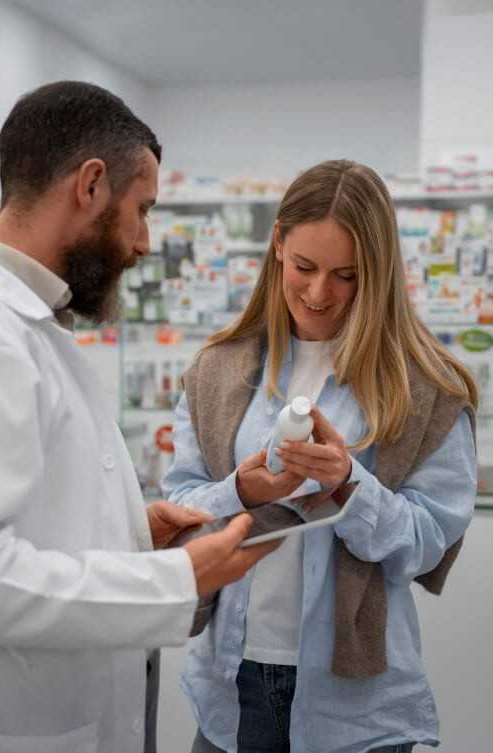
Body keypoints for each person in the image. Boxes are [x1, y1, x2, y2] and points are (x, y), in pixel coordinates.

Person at [0, 80, 279, 753]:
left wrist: (134, 537)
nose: (144, 241)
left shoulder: (34, 323)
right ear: (91, 185)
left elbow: (30, 518)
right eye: (143, 209)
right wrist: (176, 579)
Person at [162, 159, 478, 753]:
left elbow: (428, 541)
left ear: (379, 272)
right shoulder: (217, 370)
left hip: (354, 703)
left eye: (346, 275)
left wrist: (349, 486)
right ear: (277, 242)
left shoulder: (426, 388)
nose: (318, 292)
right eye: (304, 266)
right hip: (231, 686)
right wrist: (240, 492)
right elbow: (177, 509)